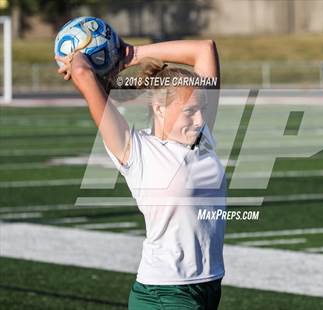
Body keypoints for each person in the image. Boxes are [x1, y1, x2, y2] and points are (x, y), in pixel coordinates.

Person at [56, 39, 226, 309]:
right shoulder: (135, 149)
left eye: (202, 110)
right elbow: (82, 74)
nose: (200, 120)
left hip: (209, 284)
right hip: (165, 291)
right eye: (190, 112)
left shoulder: (201, 137)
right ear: (158, 108)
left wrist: (132, 54)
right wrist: (78, 54)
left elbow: (204, 49)